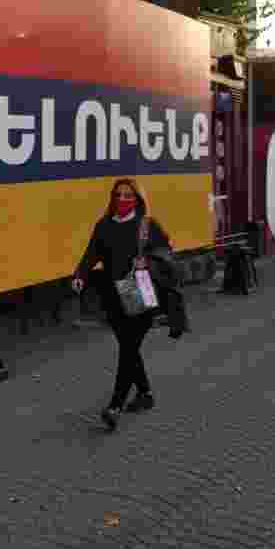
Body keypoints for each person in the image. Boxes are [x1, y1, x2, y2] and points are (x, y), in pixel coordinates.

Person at [72, 178, 173, 432]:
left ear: (137, 199)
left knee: (128, 348)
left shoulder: (147, 226)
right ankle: (145, 393)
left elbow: (166, 254)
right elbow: (91, 253)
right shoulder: (104, 225)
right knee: (130, 348)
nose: (122, 200)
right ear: (112, 197)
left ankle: (115, 406)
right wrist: (80, 275)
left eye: (128, 195)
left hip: (143, 294)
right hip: (115, 298)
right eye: (118, 195)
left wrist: (146, 263)